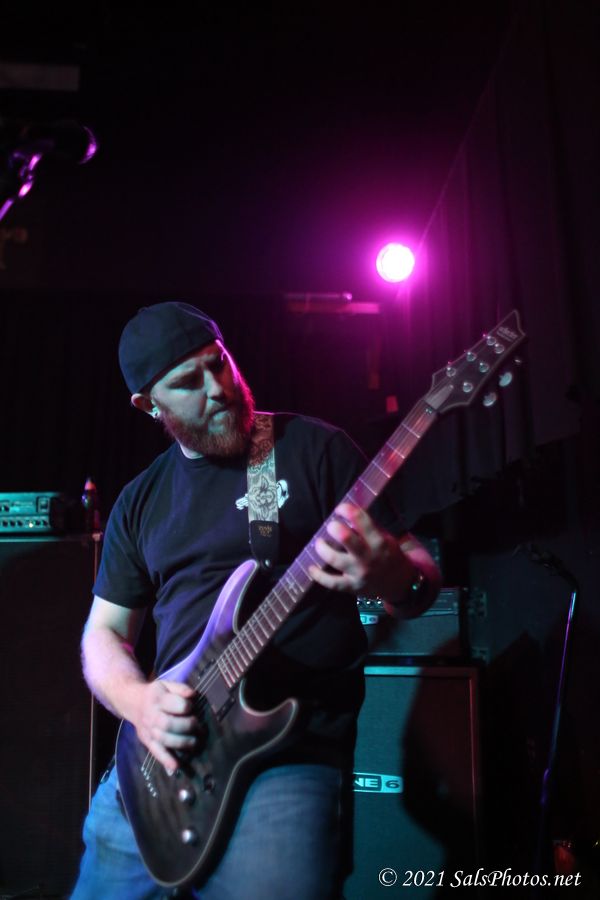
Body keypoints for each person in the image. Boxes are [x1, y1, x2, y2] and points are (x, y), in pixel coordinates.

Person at [71, 301, 441, 900]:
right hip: (162, 759)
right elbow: (104, 634)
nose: (217, 389)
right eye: (187, 382)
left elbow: (418, 581)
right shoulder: (139, 501)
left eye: (218, 363)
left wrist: (391, 574)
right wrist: (139, 702)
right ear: (149, 405)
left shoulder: (312, 450)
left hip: (288, 754)